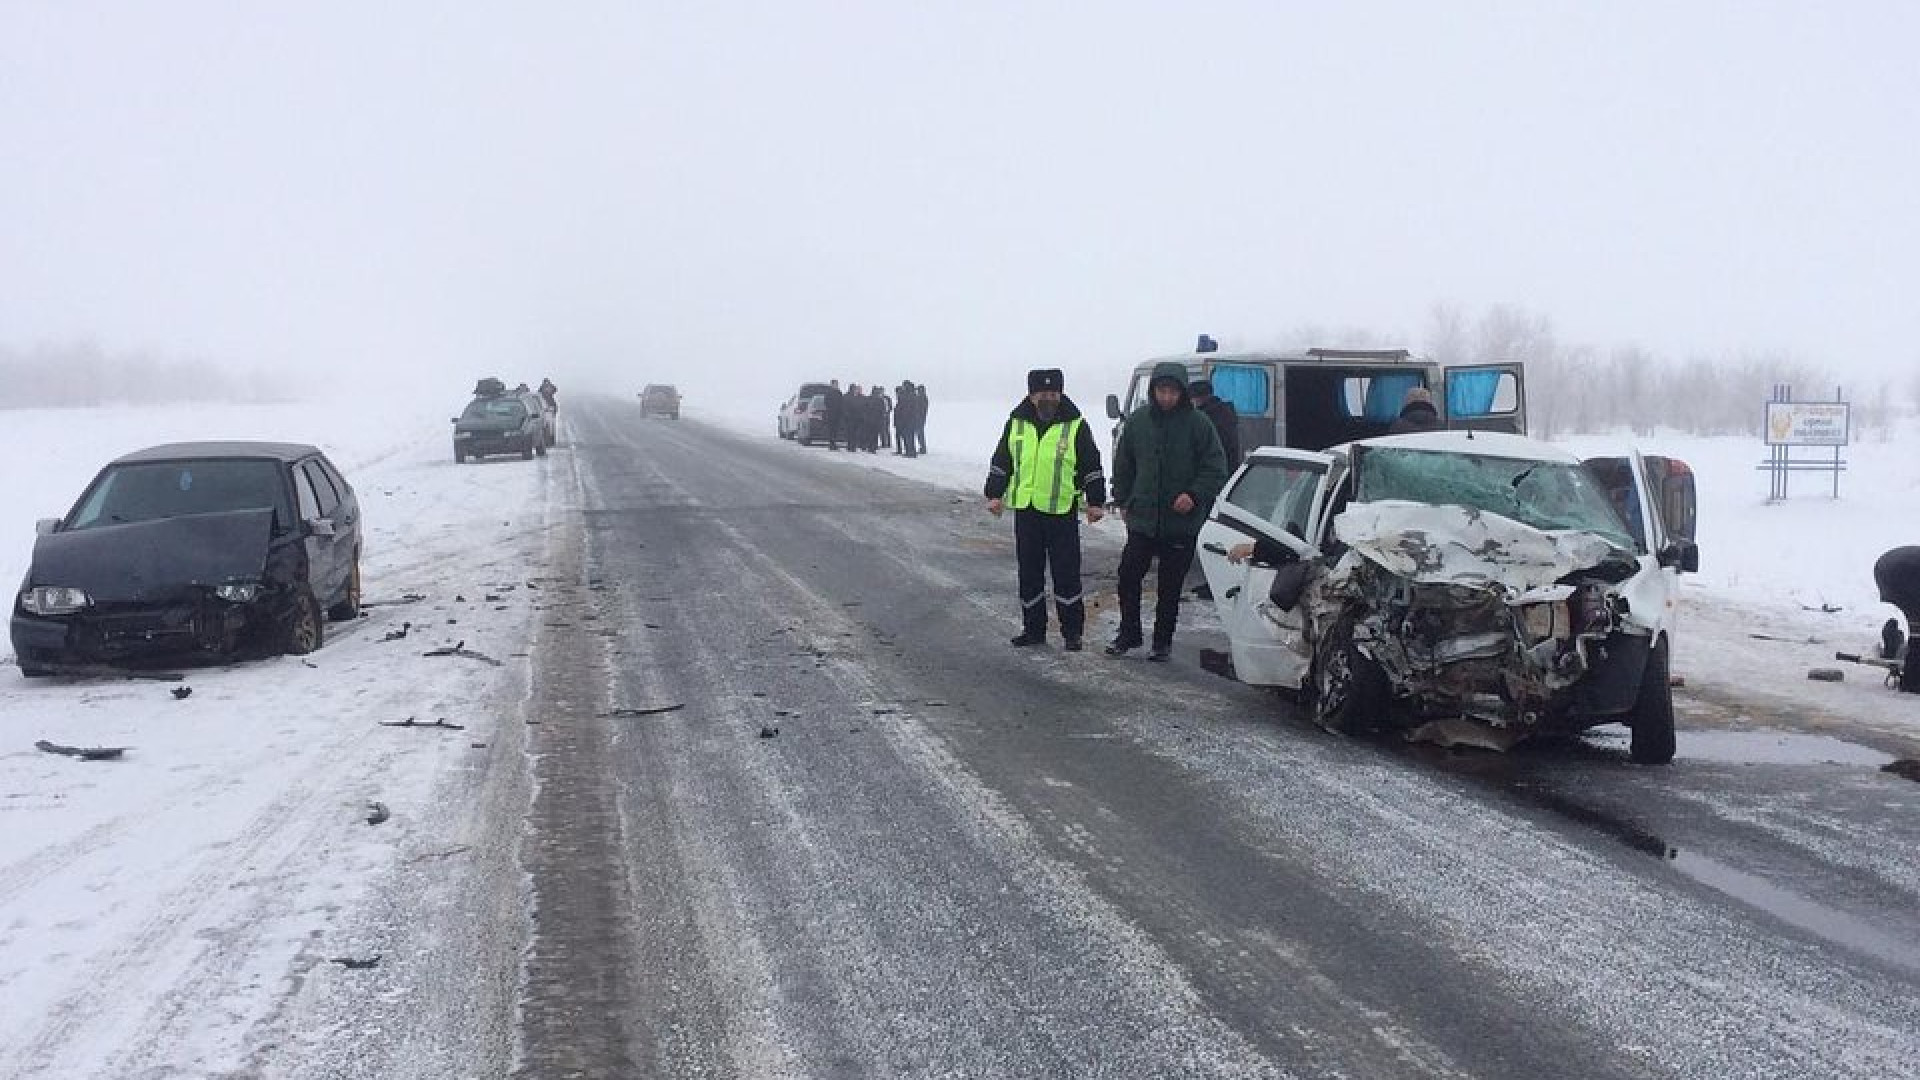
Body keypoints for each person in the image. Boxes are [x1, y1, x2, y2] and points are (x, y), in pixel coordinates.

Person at [1108, 362, 1229, 661]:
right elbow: (1124, 465)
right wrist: (1123, 499)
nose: (1166, 397)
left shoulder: (1198, 424)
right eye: (1161, 390)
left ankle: (1162, 641)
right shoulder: (1137, 423)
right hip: (1144, 518)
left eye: (1172, 391)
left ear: (1182, 393)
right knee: (1128, 575)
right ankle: (1129, 633)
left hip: (1181, 522)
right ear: (1153, 391)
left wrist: (1194, 494)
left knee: (1170, 585)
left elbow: (1215, 468)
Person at [986, 369, 1106, 650]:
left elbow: (1091, 465)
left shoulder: (1075, 425)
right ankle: (1033, 629)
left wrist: (1096, 502)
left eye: (1054, 393)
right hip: (1027, 512)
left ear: (1061, 394)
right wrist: (994, 493)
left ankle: (1072, 632)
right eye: (1042, 394)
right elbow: (1002, 460)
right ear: (1031, 395)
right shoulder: (1016, 423)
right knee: (1029, 573)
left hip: (1061, 512)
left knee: (1066, 574)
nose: (1048, 399)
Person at [1188, 379, 1242, 469]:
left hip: (1215, 468)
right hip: (1231, 467)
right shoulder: (1224, 411)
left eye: (1192, 399)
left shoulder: (1206, 417)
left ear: (1198, 398)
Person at [894, 381, 917, 456]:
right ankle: (910, 451)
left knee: (908, 436)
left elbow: (905, 409)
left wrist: (903, 419)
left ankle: (910, 452)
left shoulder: (908, 396)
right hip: (910, 420)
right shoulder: (912, 395)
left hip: (907, 420)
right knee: (909, 436)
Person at [823, 379, 846, 451]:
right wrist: (830, 409)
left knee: (836, 430)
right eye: (835, 384)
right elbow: (826, 402)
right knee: (831, 430)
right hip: (831, 414)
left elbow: (842, 402)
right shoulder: (828, 393)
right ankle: (831, 444)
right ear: (832, 385)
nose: (836, 385)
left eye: (837, 384)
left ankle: (834, 443)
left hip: (838, 414)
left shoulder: (839, 393)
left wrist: (841, 411)